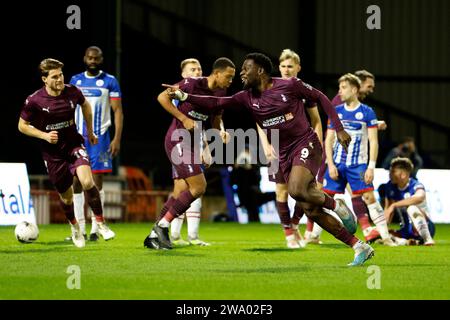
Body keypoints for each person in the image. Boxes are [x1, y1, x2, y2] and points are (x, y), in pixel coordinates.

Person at [166, 52, 375, 266]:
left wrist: (338, 129)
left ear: (261, 71)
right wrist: (185, 97)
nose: (242, 73)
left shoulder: (290, 85)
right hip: (282, 153)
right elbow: (217, 101)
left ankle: (336, 205)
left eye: (246, 68)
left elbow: (321, 97)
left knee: (295, 189)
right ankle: (360, 246)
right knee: (310, 209)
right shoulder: (246, 97)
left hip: (305, 143)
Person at [18, 58, 115, 248]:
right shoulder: (35, 100)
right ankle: (75, 228)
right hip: (53, 154)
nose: (60, 80)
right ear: (44, 79)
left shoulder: (72, 91)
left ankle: (101, 223)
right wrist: (44, 136)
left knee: (87, 181)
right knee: (67, 197)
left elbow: (85, 105)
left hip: (74, 145)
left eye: (61, 75)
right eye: (55, 77)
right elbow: (22, 126)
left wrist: (90, 131)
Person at [144, 57, 236, 250]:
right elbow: (162, 97)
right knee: (199, 187)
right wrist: (183, 118)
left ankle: (153, 236)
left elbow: (216, 118)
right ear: (217, 73)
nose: (230, 81)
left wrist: (219, 131)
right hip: (178, 140)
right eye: (228, 76)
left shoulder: (221, 92)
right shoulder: (191, 84)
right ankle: (162, 226)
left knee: (179, 192)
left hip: (193, 144)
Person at [312, 69, 386, 243]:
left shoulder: (366, 111)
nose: (371, 89)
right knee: (321, 195)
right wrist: (329, 164)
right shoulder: (338, 105)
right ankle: (309, 232)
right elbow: (329, 138)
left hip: (354, 163)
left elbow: (371, 139)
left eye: (342, 87)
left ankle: (372, 231)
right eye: (369, 86)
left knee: (359, 196)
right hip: (334, 159)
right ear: (357, 86)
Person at [257, 49, 321, 248]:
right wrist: (265, 144)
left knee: (302, 191)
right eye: (283, 66)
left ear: (298, 68)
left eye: (290, 66)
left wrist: (316, 146)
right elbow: (258, 120)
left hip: (301, 145)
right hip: (276, 144)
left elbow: (316, 121)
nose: (285, 70)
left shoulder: (304, 91)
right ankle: (289, 234)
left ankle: (294, 224)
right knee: (281, 191)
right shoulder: (269, 88)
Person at [65, 46, 123, 241]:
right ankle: (79, 228)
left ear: (101, 59)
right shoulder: (75, 80)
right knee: (76, 180)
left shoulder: (110, 81)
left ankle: (95, 227)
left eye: (96, 58)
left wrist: (116, 138)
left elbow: (118, 111)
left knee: (96, 181)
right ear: (84, 58)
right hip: (77, 137)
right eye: (89, 57)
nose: (92, 60)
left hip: (101, 137)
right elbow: (68, 108)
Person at [170, 58, 217, 246]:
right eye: (192, 69)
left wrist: (206, 147)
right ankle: (172, 233)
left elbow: (201, 124)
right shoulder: (177, 92)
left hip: (196, 144)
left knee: (197, 190)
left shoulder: (202, 95)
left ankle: (192, 236)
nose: (197, 72)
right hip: (180, 143)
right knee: (182, 190)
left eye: (199, 69)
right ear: (183, 74)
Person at [383, 157, 435, 245]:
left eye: (393, 172)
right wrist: (383, 228)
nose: (390, 174)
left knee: (412, 208)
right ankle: (409, 242)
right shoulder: (390, 187)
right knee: (381, 233)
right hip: (406, 230)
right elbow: (388, 210)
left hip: (426, 227)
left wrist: (394, 205)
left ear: (403, 174)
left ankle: (427, 239)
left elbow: (420, 197)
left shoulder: (415, 185)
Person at [231, 146, 276, 222]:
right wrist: (236, 167)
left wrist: (250, 168)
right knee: (250, 205)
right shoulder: (238, 168)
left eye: (247, 152)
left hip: (255, 193)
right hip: (243, 193)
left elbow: (257, 179)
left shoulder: (254, 166)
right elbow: (232, 181)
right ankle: (253, 220)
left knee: (274, 195)